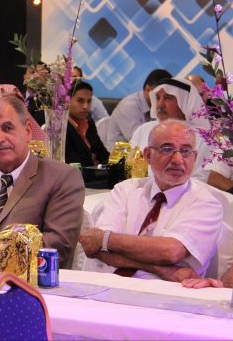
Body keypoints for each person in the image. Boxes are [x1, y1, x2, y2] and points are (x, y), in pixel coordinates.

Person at [80, 120, 223, 281]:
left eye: (185, 151)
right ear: (148, 155)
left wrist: (105, 239)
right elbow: (96, 249)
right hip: (108, 285)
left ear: (194, 157)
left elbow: (170, 252)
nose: (178, 160)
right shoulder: (126, 190)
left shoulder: (206, 203)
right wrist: (160, 269)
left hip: (165, 292)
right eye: (167, 149)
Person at [0, 95, 85, 269]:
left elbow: (57, 246)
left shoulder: (61, 178)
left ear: (28, 131)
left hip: (23, 281)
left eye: (7, 128)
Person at [130, 77, 210, 181]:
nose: (160, 104)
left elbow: (201, 178)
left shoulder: (203, 138)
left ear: (184, 102)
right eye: (158, 98)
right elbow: (129, 165)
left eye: (167, 98)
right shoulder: (144, 129)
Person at [105, 69, 172, 151]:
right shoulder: (128, 106)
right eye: (158, 96)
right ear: (148, 89)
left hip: (140, 152)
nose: (162, 101)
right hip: (120, 155)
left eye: (166, 96)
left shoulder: (157, 106)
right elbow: (140, 141)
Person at [65, 81, 109, 168]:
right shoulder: (61, 128)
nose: (86, 106)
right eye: (80, 101)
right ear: (67, 101)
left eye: (89, 101)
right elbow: (74, 164)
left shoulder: (89, 122)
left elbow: (104, 155)